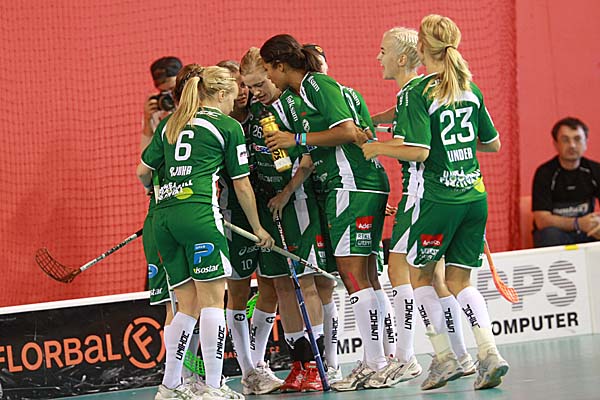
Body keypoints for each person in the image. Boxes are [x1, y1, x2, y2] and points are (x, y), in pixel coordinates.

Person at [363, 14, 508, 391]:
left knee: (420, 277)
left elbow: (420, 151)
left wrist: (378, 147)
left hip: (437, 198)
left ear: (422, 49)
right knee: (459, 280)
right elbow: (492, 143)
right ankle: (489, 352)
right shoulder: (468, 88)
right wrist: (457, 148)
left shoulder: (419, 91)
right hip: (474, 196)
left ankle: (443, 357)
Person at [260, 34, 391, 392]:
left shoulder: (316, 84)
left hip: (351, 183)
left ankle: (377, 363)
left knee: (353, 275)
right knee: (365, 274)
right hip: (355, 183)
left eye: (269, 70)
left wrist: (296, 140)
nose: (269, 78)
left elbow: (347, 131)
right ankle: (386, 358)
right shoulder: (303, 92)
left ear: (281, 65)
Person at [137, 64, 273, 400]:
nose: (233, 103)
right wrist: (257, 228)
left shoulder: (171, 122)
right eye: (232, 96)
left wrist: (163, 192)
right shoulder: (227, 126)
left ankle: (170, 385)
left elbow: (142, 171)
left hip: (162, 219)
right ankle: (213, 385)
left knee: (186, 305)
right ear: (222, 93)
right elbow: (241, 184)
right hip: (199, 214)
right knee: (213, 302)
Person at [240, 47, 326, 392]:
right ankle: (299, 364)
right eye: (250, 86)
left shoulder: (293, 104)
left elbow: (309, 156)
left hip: (296, 202)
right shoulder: (255, 111)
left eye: (260, 84)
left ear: (273, 73)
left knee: (305, 282)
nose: (255, 92)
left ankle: (319, 364)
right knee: (281, 286)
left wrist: (288, 192)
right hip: (267, 207)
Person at [216, 59, 284, 395]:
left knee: (270, 288)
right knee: (239, 292)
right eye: (235, 86)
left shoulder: (263, 112)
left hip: (270, 207)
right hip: (235, 214)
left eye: (244, 84)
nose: (242, 92)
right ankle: (248, 369)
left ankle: (256, 365)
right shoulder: (220, 123)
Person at [532, 117, 600, 247]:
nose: (572, 145)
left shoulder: (595, 170)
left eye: (577, 139)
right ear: (556, 144)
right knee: (549, 235)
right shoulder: (544, 173)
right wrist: (578, 223)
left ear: (586, 142)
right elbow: (541, 220)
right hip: (557, 234)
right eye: (565, 140)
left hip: (587, 232)